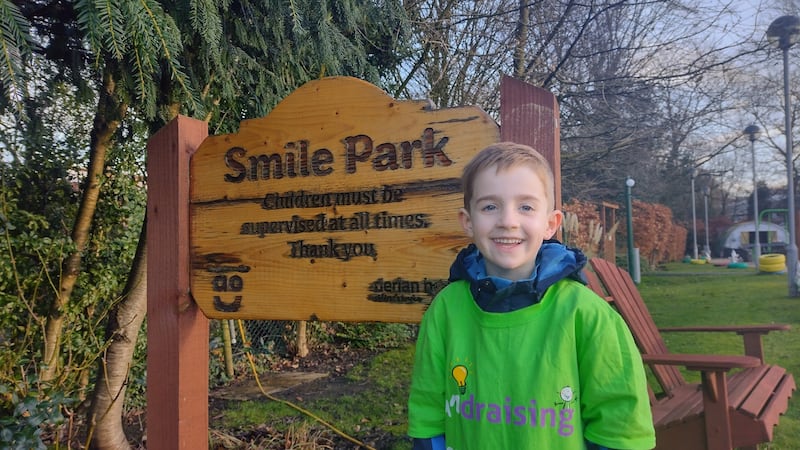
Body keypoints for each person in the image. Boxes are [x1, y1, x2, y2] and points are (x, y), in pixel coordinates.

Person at [407, 142, 655, 450]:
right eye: (489, 206)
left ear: (551, 224)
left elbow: (620, 425)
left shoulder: (587, 315)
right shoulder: (446, 308)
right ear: (467, 221)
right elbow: (428, 409)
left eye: (526, 206)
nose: (508, 221)